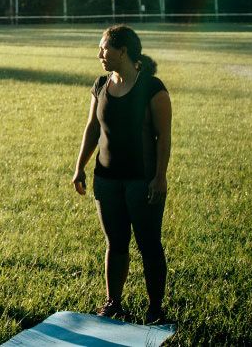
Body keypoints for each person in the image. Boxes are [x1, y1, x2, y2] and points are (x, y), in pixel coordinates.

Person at [71, 25, 173, 324]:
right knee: (115, 244)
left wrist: (160, 177)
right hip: (106, 179)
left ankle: (155, 309)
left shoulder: (152, 88)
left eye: (104, 49)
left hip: (142, 180)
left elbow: (164, 138)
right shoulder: (101, 84)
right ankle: (113, 303)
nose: (100, 55)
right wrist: (79, 167)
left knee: (148, 245)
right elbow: (92, 128)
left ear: (123, 51)